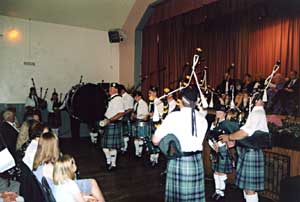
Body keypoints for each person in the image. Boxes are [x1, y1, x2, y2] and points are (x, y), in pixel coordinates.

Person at [152, 86, 208, 202]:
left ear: (181, 100)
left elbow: (155, 140)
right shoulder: (203, 119)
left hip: (179, 161)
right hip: (197, 162)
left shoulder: (173, 117)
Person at [219, 92, 269, 202]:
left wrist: (229, 137)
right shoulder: (257, 112)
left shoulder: (257, 113)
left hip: (251, 152)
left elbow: (245, 132)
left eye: (249, 97)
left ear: (254, 99)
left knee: (250, 189)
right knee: (247, 189)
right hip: (248, 150)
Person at [208, 104, 239, 200]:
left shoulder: (228, 124)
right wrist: (213, 145)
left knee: (221, 172)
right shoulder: (213, 124)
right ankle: (217, 190)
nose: (218, 114)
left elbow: (231, 137)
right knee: (216, 171)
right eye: (217, 112)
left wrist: (220, 144)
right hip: (214, 149)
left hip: (223, 150)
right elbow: (209, 135)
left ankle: (222, 192)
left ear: (224, 114)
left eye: (220, 112)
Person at [101, 83, 125, 171]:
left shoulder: (118, 99)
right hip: (108, 122)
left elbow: (121, 113)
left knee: (112, 147)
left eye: (112, 88)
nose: (110, 89)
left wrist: (110, 120)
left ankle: (113, 164)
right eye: (110, 88)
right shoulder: (111, 99)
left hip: (113, 123)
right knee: (104, 146)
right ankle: (108, 161)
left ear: (116, 90)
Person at [147, 86, 163, 167]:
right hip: (150, 121)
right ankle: (151, 156)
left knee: (155, 139)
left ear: (155, 93)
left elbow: (161, 114)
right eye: (149, 93)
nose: (149, 94)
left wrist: (152, 114)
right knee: (150, 139)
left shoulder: (159, 102)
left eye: (150, 93)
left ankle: (156, 157)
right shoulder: (151, 102)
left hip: (156, 123)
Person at [131, 91, 149, 157]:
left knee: (140, 137)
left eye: (136, 97)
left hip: (141, 121)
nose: (135, 98)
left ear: (140, 96)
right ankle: (136, 152)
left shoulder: (144, 104)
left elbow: (146, 114)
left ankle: (140, 153)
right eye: (134, 97)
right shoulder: (136, 104)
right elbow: (134, 112)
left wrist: (137, 116)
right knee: (136, 137)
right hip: (136, 121)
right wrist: (133, 115)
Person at [119, 84, 134, 154]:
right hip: (120, 116)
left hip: (126, 116)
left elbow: (131, 108)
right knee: (121, 133)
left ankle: (125, 148)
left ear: (122, 90)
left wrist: (124, 113)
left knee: (125, 134)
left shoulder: (129, 97)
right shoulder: (120, 97)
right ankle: (122, 147)